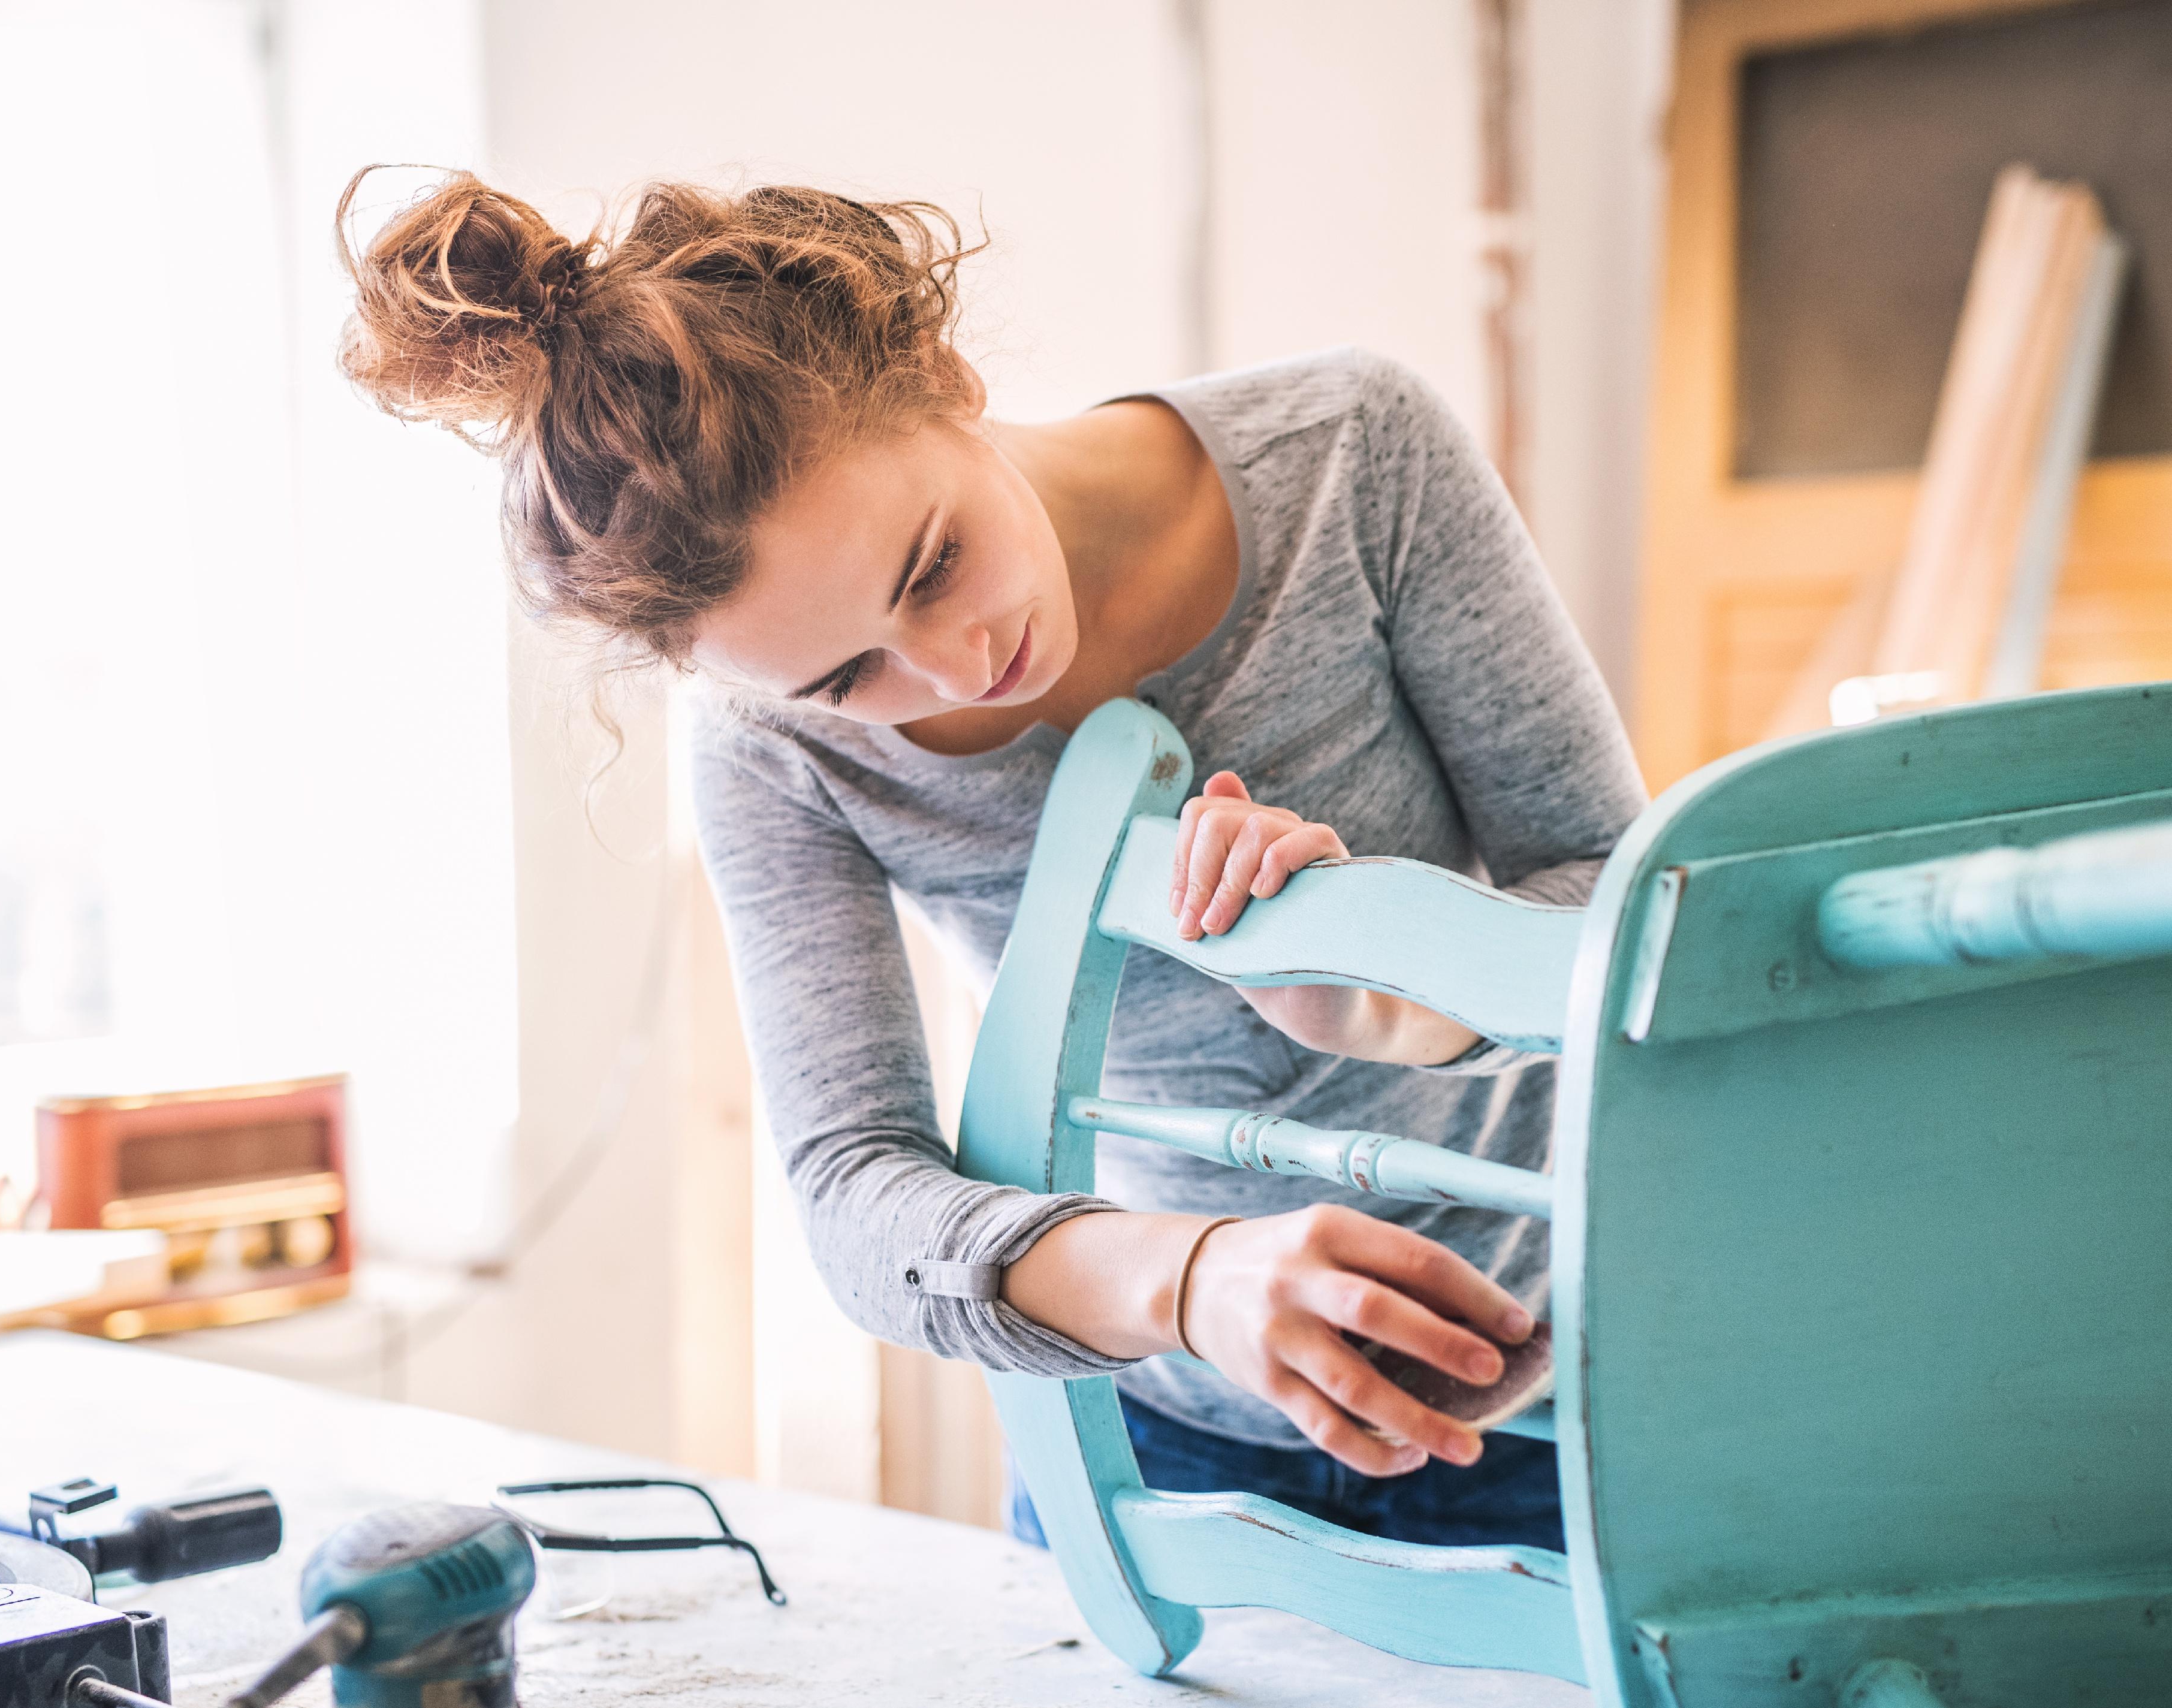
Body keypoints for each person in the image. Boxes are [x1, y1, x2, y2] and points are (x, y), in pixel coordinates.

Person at [335, 169, 1646, 1551]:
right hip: (1151, 1454)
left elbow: (1615, 894)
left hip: (1571, 1401)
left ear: (944, 376)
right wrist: (1189, 1282)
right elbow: (852, 1192)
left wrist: (1387, 996)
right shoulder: (773, 749)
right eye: (850, 673)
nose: (958, 664)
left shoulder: (1352, 456)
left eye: (933, 562)